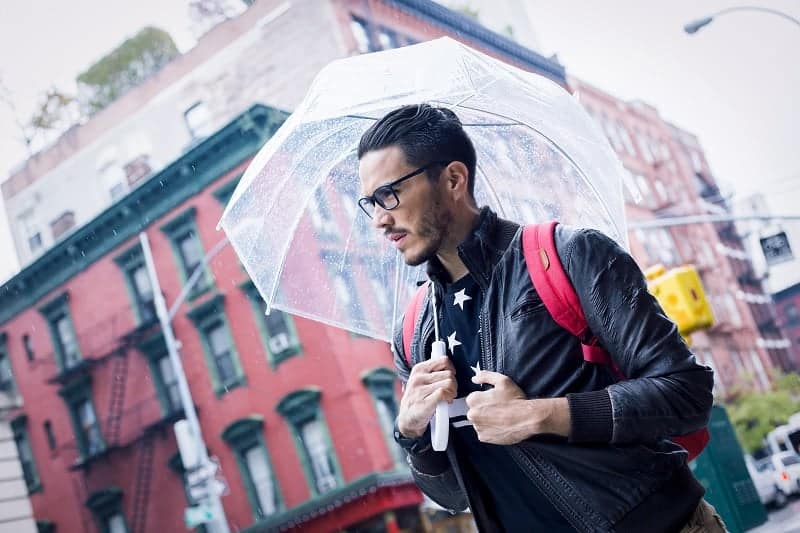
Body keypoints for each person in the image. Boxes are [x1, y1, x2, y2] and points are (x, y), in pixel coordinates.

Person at [356, 104, 724, 533]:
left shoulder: (570, 255)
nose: (380, 219)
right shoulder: (414, 331)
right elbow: (454, 494)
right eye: (371, 203)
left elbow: (687, 393)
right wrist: (412, 432)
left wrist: (542, 415)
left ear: (453, 179)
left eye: (389, 194)